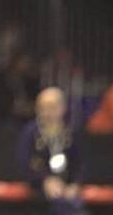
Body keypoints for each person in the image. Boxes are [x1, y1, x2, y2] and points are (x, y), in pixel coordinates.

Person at [18, 87, 87, 215]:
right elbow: (26, 162)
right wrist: (45, 180)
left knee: (71, 201)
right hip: (40, 186)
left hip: (67, 186)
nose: (46, 112)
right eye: (42, 108)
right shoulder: (31, 132)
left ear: (63, 107)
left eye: (52, 107)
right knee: (62, 204)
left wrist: (75, 184)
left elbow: (79, 162)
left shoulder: (71, 132)